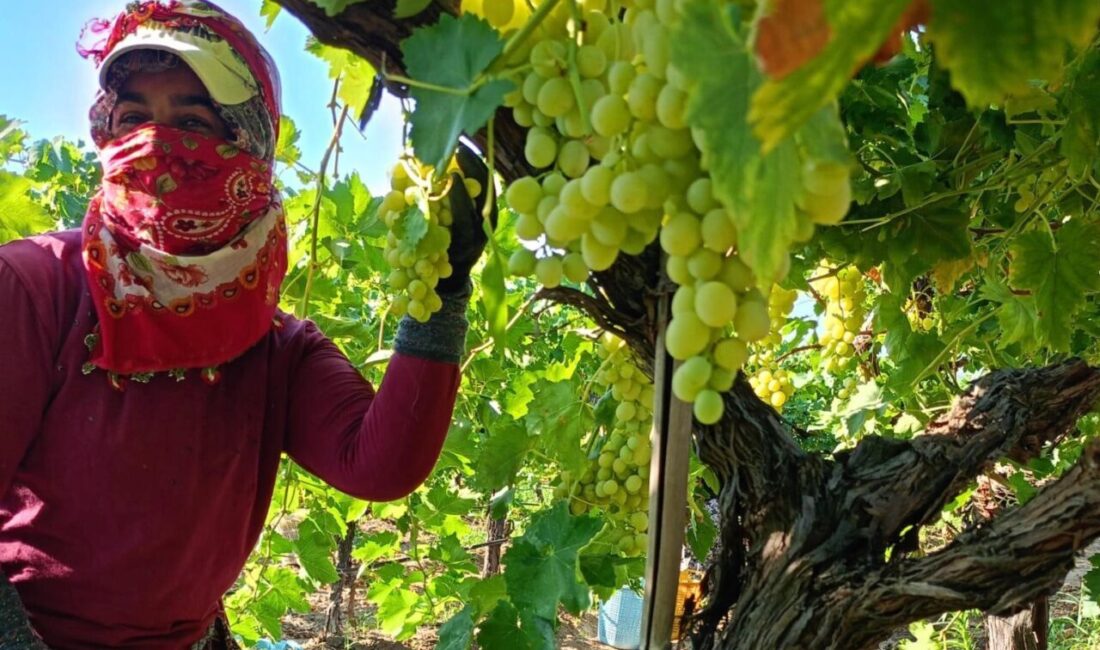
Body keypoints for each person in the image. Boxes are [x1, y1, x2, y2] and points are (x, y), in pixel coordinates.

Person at [0, 1, 492, 648]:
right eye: (134, 119)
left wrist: (444, 295)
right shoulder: (33, 286)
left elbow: (379, 465)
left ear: (251, 142)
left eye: (193, 122)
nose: (157, 145)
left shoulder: (277, 346)